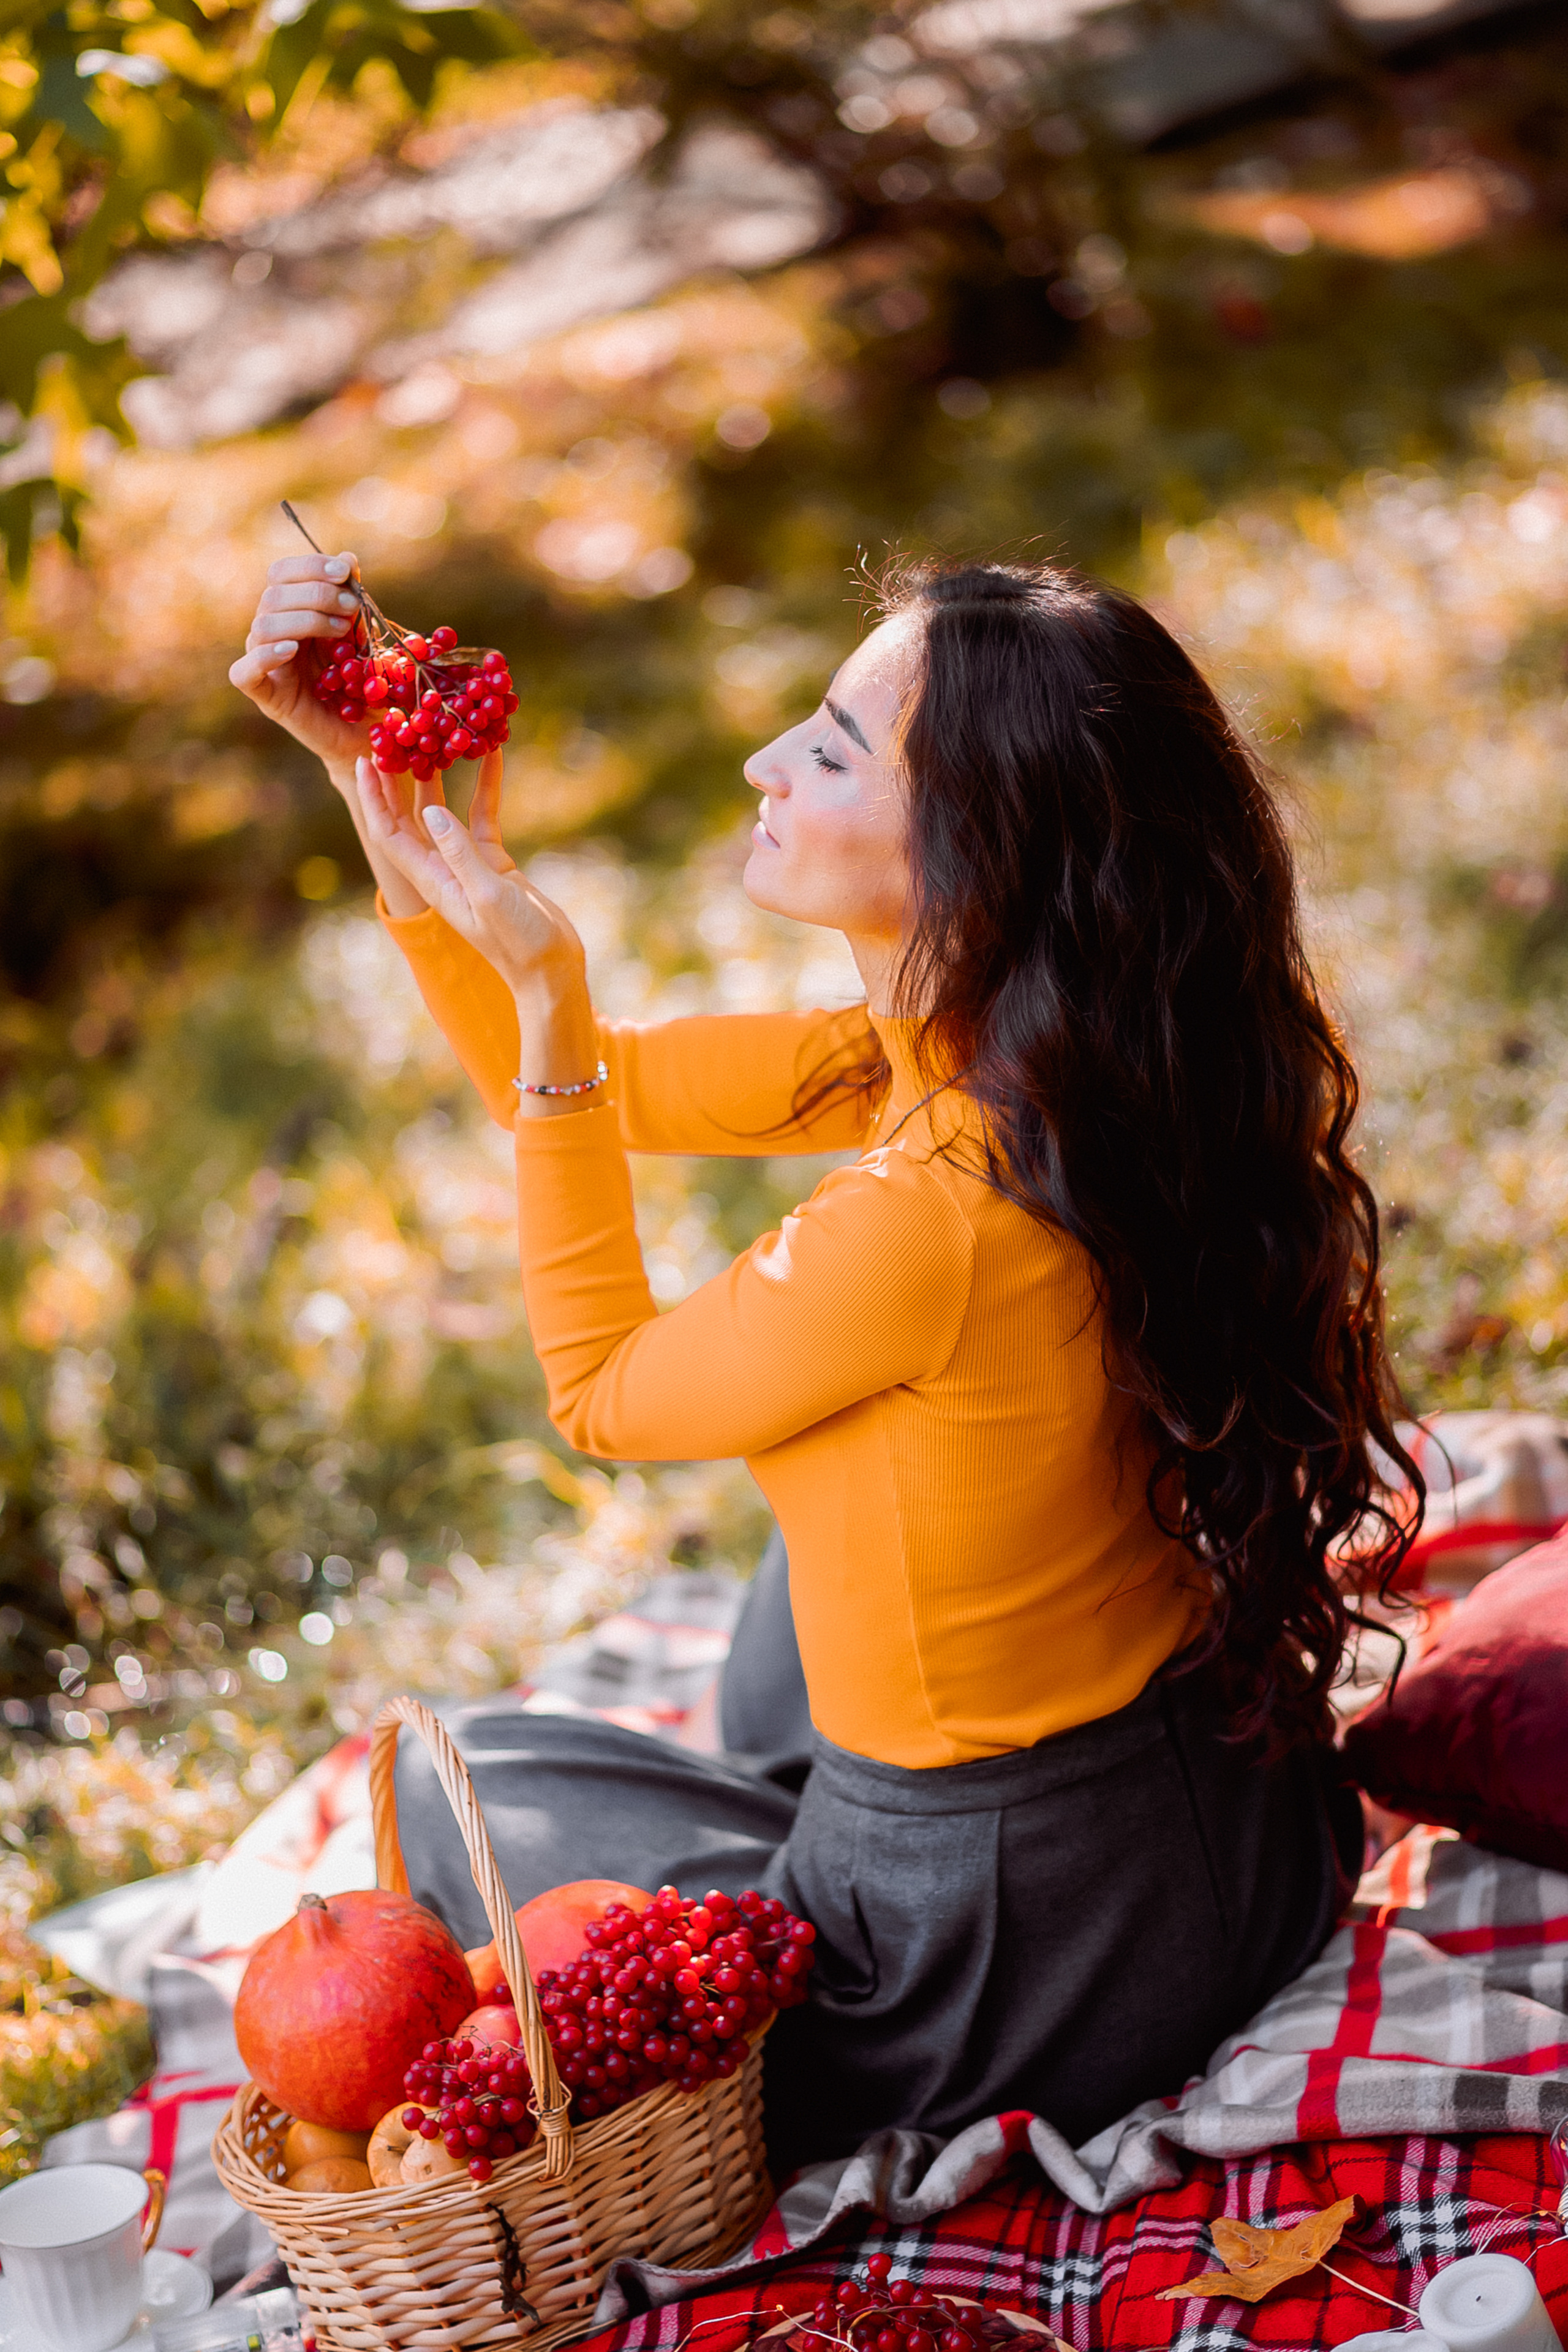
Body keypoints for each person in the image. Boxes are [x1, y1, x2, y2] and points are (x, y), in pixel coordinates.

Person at [232, 551, 1419, 2171]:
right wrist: (436, 851)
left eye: (834, 750)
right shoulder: (1055, 1060)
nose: (763, 766)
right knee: (782, 1606)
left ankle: (834, 1891)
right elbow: (585, 1088)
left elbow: (599, 1391)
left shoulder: (925, 1221)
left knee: (440, 1792)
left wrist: (546, 982)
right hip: (1223, 1816)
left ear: (974, 849)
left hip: (991, 1947)